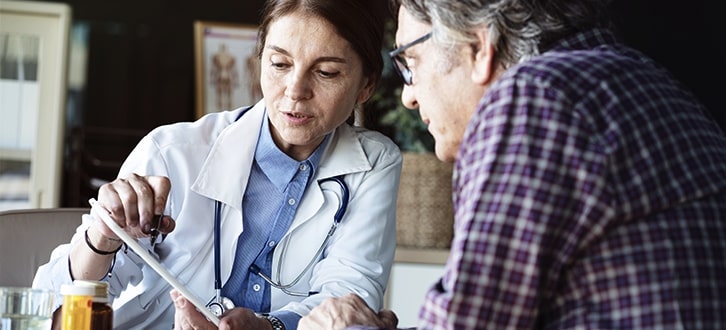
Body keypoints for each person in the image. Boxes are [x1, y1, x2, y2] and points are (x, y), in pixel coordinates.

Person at [299, 0, 726, 329]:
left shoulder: (534, 98)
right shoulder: (648, 83)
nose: (409, 96)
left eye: (411, 62)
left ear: (479, 46)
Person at [33, 0, 401, 329]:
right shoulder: (173, 152)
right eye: (279, 64)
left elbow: (350, 300)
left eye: (326, 73)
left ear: (366, 85)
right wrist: (103, 236)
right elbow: (52, 308)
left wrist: (268, 327)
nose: (294, 90)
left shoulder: (373, 164)